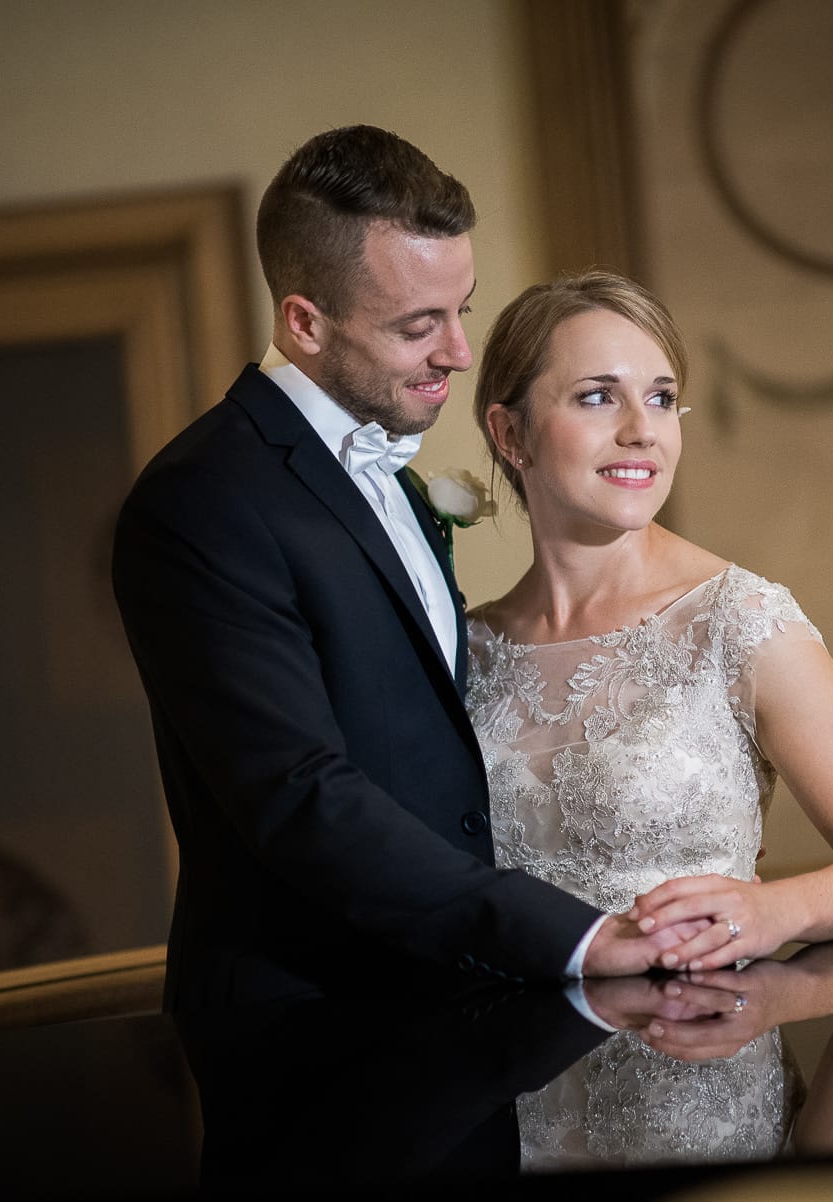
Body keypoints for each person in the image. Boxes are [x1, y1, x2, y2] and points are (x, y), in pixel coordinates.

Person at [110, 128, 698, 1021]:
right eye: (418, 325)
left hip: (458, 1007)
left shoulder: (395, 476)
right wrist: (572, 940)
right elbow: (299, 794)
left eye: (461, 308)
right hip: (312, 1025)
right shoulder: (201, 501)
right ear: (304, 321)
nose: (459, 352)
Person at [465, 269, 833, 1165]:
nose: (642, 429)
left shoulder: (740, 620)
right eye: (598, 396)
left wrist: (768, 915)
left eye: (663, 397)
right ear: (510, 431)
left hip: (707, 1110)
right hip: (513, 1121)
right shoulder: (464, 652)